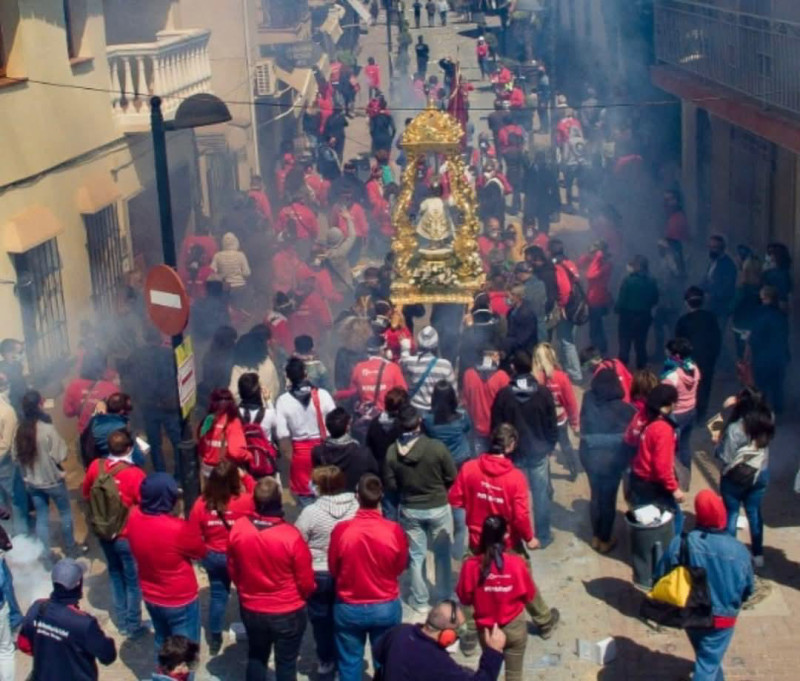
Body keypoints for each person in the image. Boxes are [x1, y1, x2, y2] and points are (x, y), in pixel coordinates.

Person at [448, 425, 560, 645]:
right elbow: (520, 516)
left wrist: (477, 501)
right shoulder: (515, 478)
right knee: (522, 579)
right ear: (511, 446)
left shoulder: (469, 468)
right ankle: (544, 622)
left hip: (477, 540)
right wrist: (530, 538)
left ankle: (470, 634)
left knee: (471, 580)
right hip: (507, 543)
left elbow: (455, 499)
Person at [654, 491, 754, 681]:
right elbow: (748, 588)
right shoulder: (738, 550)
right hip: (723, 619)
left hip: (691, 613)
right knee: (707, 665)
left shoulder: (680, 543)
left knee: (707, 657)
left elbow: (660, 574)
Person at [228, 477, 315, 681]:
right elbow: (306, 579)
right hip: (288, 610)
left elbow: (233, 568)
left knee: (257, 656)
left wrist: (244, 589)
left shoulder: (239, 528)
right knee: (286, 662)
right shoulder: (290, 536)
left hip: (252, 607)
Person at [328, 474, 408, 681]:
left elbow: (333, 567)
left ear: (357, 497)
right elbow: (399, 566)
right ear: (381, 496)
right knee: (386, 661)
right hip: (384, 604)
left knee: (349, 662)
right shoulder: (393, 530)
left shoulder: (342, 530)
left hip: (349, 605)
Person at [385, 405, 456, 615]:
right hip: (438, 507)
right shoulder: (436, 447)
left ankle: (420, 600)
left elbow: (390, 484)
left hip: (410, 509)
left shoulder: (392, 451)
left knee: (416, 556)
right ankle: (443, 596)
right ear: (419, 423)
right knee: (442, 553)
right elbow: (452, 475)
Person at [126, 473, 206, 653]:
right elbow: (200, 551)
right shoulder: (176, 528)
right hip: (179, 599)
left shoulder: (133, 517)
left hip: (150, 595)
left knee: (162, 643)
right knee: (185, 653)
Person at [81, 429, 147, 638]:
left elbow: (85, 493)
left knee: (115, 575)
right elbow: (145, 504)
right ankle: (133, 625)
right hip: (127, 535)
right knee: (133, 581)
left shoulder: (95, 467)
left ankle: (121, 621)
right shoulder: (135, 474)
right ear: (129, 448)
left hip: (103, 532)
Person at [295, 466, 359, 675]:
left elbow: (298, 540)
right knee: (345, 618)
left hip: (319, 571)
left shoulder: (310, 512)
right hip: (347, 569)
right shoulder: (356, 506)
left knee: (321, 621)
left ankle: (325, 659)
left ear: (319, 487)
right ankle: (345, 657)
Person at [456, 516, 536, 681]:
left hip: (487, 631)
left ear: (481, 536)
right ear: (505, 536)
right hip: (514, 626)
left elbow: (464, 598)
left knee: (489, 673)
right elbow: (529, 595)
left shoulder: (471, 566)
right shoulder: (516, 563)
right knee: (514, 675)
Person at [491, 351, 558, 548]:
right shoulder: (543, 392)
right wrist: (550, 445)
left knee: (514, 498)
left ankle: (516, 536)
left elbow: (495, 425)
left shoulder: (504, 395)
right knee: (540, 495)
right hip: (538, 452)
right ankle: (543, 536)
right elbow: (552, 424)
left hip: (514, 454)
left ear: (513, 368)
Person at [188, 460, 254, 655]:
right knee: (245, 594)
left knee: (218, 595)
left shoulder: (201, 504)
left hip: (213, 555)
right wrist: (247, 477)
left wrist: (203, 553)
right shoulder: (245, 500)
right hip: (239, 554)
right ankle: (251, 631)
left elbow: (192, 534)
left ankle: (215, 637)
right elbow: (261, 493)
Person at [18, 559, 117, 681]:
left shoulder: (37, 608)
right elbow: (108, 655)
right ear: (78, 584)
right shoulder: (84, 623)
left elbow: (24, 645)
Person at [13, 390, 80, 559]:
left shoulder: (19, 431)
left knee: (42, 517)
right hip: (54, 481)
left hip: (33, 483)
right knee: (65, 513)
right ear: (39, 405)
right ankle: (71, 549)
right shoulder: (47, 429)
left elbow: (15, 457)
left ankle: (45, 553)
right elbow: (61, 455)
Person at [374, 599, 505, 681]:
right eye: (458, 632)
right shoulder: (439, 663)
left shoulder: (400, 631)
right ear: (448, 635)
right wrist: (494, 652)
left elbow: (377, 653)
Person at [579, 369, 636, 553]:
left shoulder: (587, 399)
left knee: (595, 495)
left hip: (589, 457)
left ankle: (596, 536)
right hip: (612, 462)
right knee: (608, 500)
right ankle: (604, 539)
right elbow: (629, 439)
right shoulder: (625, 409)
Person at [717, 398, 773, 568]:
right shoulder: (768, 420)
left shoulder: (735, 429)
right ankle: (758, 555)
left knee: (732, 514)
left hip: (734, 478)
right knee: (754, 513)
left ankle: (731, 556)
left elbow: (726, 458)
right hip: (759, 473)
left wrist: (717, 444)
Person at [276, 357, 336, 506]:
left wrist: (292, 459)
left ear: (288, 377)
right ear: (306, 374)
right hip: (325, 452)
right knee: (327, 497)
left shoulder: (283, 401)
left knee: (306, 502)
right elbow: (336, 423)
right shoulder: (323, 395)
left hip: (300, 457)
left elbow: (282, 437)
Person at [629, 384, 684, 534]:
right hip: (653, 485)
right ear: (669, 404)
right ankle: (672, 552)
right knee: (676, 519)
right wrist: (674, 489)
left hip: (638, 478)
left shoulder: (643, 417)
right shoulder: (663, 429)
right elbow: (662, 467)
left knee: (645, 522)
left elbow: (629, 438)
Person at [126, 328, 181, 476]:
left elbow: (131, 379)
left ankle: (160, 473)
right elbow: (176, 376)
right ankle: (178, 475)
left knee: (154, 443)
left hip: (148, 405)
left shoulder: (136, 356)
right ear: (158, 339)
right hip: (168, 405)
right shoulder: (168, 354)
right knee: (176, 441)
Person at [532, 343, 580, 480]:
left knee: (545, 452)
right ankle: (573, 469)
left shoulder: (534, 378)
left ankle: (547, 484)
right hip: (559, 420)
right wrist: (575, 422)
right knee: (565, 445)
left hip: (542, 422)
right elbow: (570, 402)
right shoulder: (561, 377)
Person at [675, 287, 721, 418]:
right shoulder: (710, 318)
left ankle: (688, 412)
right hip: (707, 358)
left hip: (689, 360)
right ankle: (701, 414)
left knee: (689, 386)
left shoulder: (683, 321)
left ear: (686, 303)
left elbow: (678, 343)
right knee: (705, 386)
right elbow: (717, 338)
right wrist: (714, 355)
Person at [312, 407, 378, 492]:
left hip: (328, 498)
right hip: (354, 500)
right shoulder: (363, 454)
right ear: (347, 427)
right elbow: (374, 476)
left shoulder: (318, 453)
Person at [462, 346, 511, 456]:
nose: (499, 357)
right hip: (497, 431)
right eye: (497, 354)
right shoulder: (502, 377)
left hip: (476, 429)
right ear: (491, 355)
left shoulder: (469, 374)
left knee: (480, 462)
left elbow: (465, 402)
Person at [661, 338, 700, 473]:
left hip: (676, 415)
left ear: (676, 355)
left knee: (673, 448)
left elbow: (663, 396)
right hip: (691, 411)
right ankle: (686, 473)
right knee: (684, 445)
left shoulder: (672, 376)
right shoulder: (693, 367)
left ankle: (675, 476)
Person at [748, 285, 790, 414]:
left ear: (765, 297)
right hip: (779, 356)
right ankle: (778, 411)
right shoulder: (781, 315)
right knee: (777, 386)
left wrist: (748, 352)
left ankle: (762, 412)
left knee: (761, 385)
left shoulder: (759, 313)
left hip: (762, 356)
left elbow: (755, 336)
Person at [615, 255, 659, 370]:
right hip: (644, 317)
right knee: (641, 344)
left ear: (638, 266)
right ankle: (642, 371)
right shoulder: (652, 281)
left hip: (627, 317)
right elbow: (655, 299)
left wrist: (617, 310)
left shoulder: (628, 281)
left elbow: (621, 301)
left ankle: (622, 370)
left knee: (625, 344)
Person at [400, 326, 456, 412]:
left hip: (415, 410)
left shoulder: (411, 362)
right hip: (437, 411)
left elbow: (403, 362)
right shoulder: (445, 365)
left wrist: (405, 347)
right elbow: (453, 392)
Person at [197, 388, 251, 477]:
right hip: (224, 471)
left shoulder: (207, 420)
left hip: (206, 470)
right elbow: (236, 452)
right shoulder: (232, 422)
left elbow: (201, 446)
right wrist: (249, 455)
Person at [88, 392, 145, 466]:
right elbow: (139, 459)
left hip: (102, 464)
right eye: (128, 408)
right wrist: (141, 452)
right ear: (121, 411)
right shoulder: (122, 429)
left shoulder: (95, 420)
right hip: (120, 466)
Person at [577, 240, 613, 354]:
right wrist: (588, 255)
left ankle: (601, 352)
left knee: (596, 329)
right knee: (595, 328)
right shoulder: (597, 262)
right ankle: (599, 351)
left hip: (599, 301)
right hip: (593, 299)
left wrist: (597, 258)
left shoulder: (606, 264)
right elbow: (579, 264)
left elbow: (590, 275)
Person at [229, 327, 281, 402]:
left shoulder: (238, 369)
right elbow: (276, 387)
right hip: (268, 407)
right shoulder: (268, 363)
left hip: (247, 411)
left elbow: (233, 393)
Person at [701, 234, 737, 331]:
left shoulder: (728, 265)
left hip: (720, 308)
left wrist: (712, 294)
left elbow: (727, 288)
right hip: (709, 306)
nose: (711, 250)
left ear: (722, 248)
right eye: (710, 247)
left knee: (718, 335)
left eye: (715, 247)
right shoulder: (711, 261)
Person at [211, 232, 251, 309]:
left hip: (224, 288)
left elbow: (212, 271)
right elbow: (247, 273)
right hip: (240, 287)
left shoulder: (217, 255)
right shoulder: (241, 255)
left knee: (223, 309)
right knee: (239, 310)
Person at [0, 339, 26, 411]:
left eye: (19, 352)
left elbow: (20, 378)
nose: (15, 355)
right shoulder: (1, 366)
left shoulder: (18, 364)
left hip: (22, 391)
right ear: (4, 353)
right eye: (13, 352)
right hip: (11, 396)